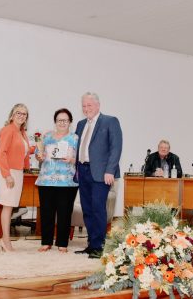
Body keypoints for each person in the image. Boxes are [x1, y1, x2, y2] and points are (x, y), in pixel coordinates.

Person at [74, 92, 122, 259]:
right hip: (83, 171)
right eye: (84, 106)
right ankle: (91, 244)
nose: (86, 108)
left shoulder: (110, 121)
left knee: (97, 208)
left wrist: (110, 170)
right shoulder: (80, 124)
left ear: (98, 106)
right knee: (87, 209)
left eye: (90, 105)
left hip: (101, 174)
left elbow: (116, 148)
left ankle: (99, 246)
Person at [35, 108, 79, 253]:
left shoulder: (75, 138)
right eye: (59, 120)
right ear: (55, 122)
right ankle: (46, 242)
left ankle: (62, 243)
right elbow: (38, 153)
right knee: (46, 212)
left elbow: (81, 159)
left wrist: (72, 159)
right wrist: (39, 156)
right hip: (46, 181)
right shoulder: (46, 137)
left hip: (67, 182)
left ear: (70, 122)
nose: (62, 123)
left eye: (65, 120)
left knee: (64, 213)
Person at [0, 103, 33, 252]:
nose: (21, 116)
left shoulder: (21, 132)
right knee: (7, 206)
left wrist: (34, 149)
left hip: (18, 172)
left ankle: (5, 239)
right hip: (8, 172)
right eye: (19, 113)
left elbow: (21, 151)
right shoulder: (7, 130)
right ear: (12, 115)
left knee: (10, 206)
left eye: (24, 114)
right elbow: (1, 153)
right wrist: (7, 175)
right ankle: (5, 241)